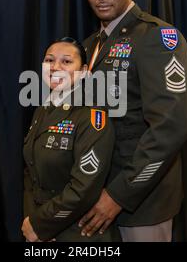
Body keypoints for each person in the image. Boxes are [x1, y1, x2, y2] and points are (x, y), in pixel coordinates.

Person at [78, 0, 187, 242]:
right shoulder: (91, 44)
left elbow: (171, 127)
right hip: (95, 193)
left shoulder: (157, 36)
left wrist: (119, 194)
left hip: (141, 201)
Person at [21, 37, 121, 242]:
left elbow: (84, 189)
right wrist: (34, 224)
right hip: (43, 231)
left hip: (79, 232)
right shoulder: (43, 110)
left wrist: (41, 225)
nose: (55, 67)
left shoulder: (92, 116)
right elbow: (31, 176)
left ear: (83, 71)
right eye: (49, 60)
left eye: (66, 61)